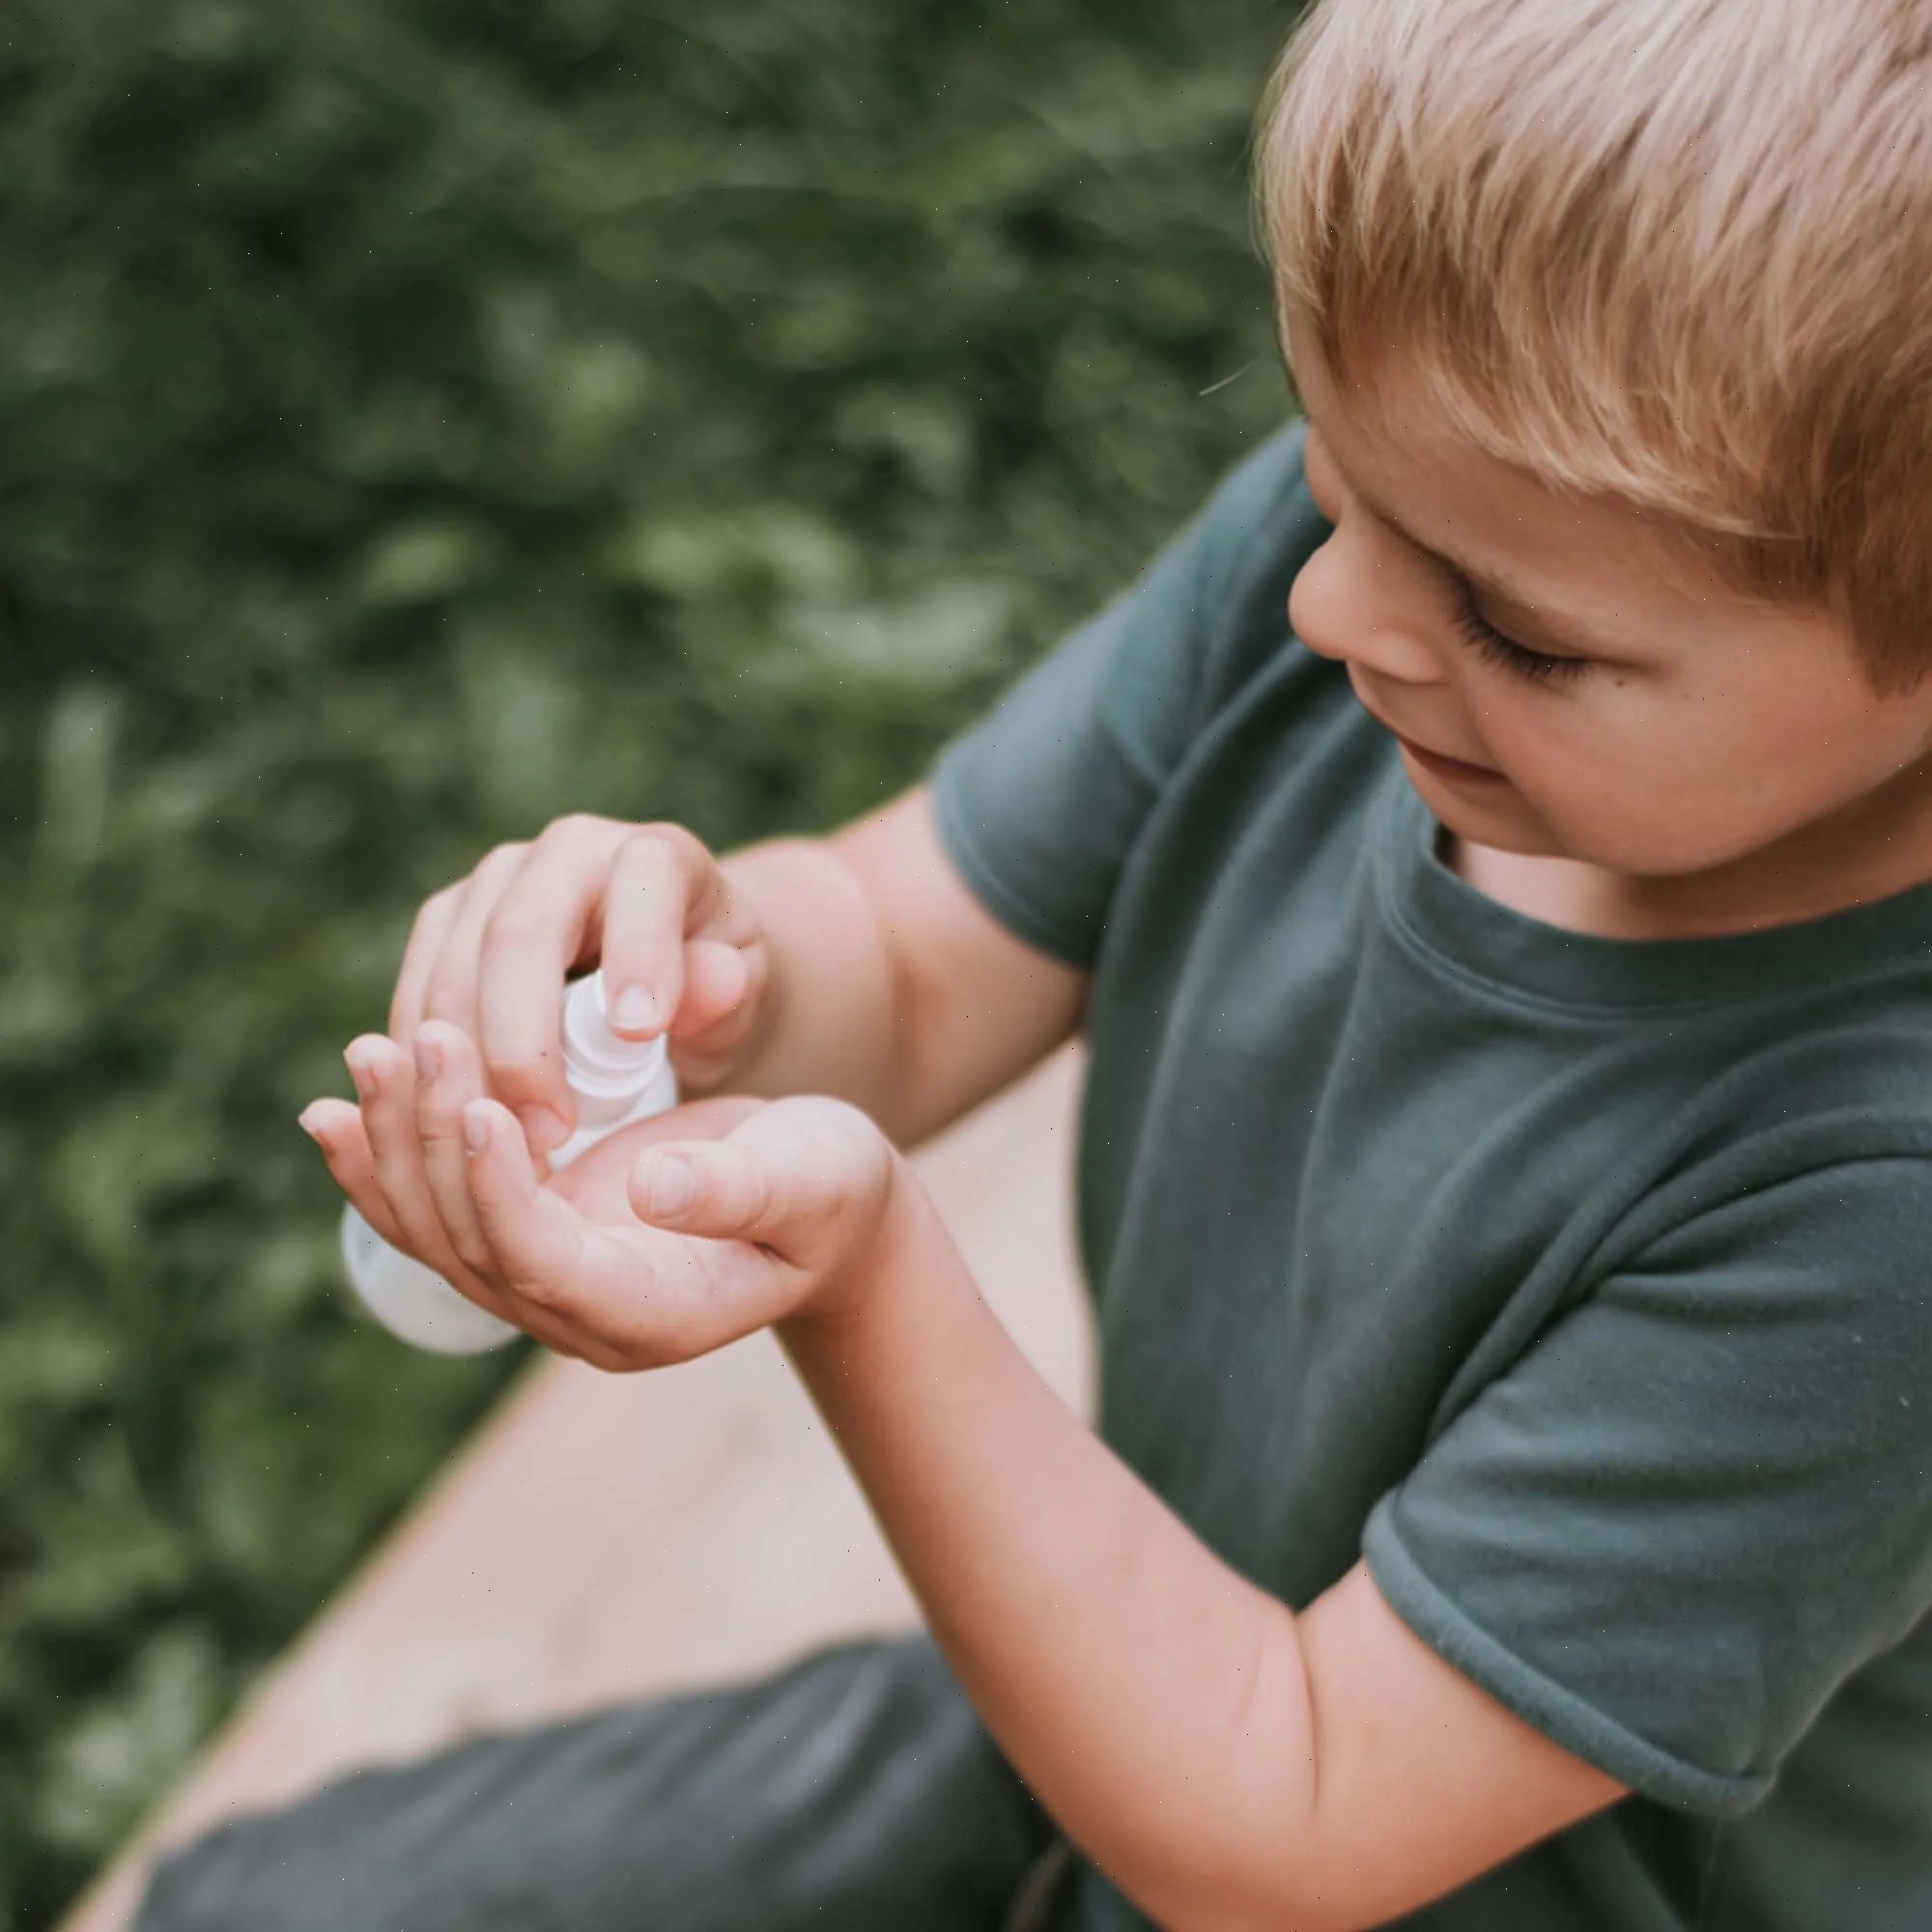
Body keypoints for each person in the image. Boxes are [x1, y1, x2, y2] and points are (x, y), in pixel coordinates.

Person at [135, 1, 1932, 1926]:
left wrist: (860, 1281)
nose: (1329, 607)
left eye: (1521, 629)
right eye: (1330, 472)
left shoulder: (1874, 1201)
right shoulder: (1416, 559)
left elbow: (1287, 1813)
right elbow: (913, 960)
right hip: (1136, 1648)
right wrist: (706, 987)